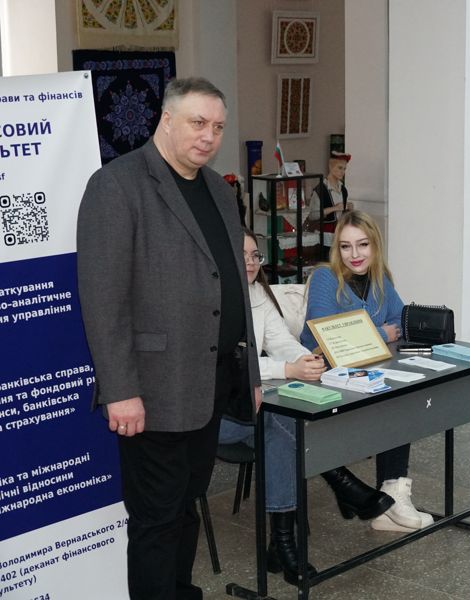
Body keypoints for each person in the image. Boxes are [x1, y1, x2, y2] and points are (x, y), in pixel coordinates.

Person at [77, 77, 262, 600]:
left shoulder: (219, 190)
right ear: (166, 119)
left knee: (186, 508)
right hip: (153, 390)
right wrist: (119, 390)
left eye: (218, 127)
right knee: (156, 521)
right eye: (198, 123)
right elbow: (103, 300)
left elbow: (233, 283)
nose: (209, 136)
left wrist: (249, 373)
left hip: (212, 381)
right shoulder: (117, 185)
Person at [218, 229, 395, 584]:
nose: (251, 263)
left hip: (252, 407)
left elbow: (280, 340)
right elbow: (229, 365)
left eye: (255, 256)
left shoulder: (257, 293)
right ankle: (342, 485)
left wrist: (305, 359)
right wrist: (286, 370)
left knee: (283, 427)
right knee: (282, 423)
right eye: (242, 255)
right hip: (215, 415)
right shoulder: (213, 300)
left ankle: (283, 546)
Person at [300, 210, 433, 532]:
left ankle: (393, 494)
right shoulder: (324, 278)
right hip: (324, 376)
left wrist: (371, 333)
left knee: (401, 397)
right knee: (393, 403)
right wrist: (382, 333)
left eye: (362, 244)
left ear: (375, 245)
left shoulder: (380, 278)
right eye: (345, 246)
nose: (355, 254)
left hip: (365, 372)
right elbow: (329, 334)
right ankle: (390, 499)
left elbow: (402, 319)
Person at [307, 152, 353, 252]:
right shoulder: (320, 190)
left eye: (344, 169)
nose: (343, 172)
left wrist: (349, 209)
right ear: (331, 167)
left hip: (340, 235)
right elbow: (312, 215)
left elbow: (342, 215)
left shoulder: (343, 190)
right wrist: (334, 208)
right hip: (325, 238)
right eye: (340, 168)